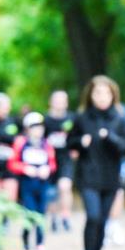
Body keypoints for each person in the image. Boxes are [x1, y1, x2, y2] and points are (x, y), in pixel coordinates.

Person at [67, 75, 125, 250]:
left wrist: (111, 139)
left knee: (103, 221)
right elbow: (69, 142)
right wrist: (81, 142)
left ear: (113, 95)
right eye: (97, 93)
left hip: (111, 177)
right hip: (88, 176)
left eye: (106, 93)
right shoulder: (82, 118)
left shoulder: (120, 118)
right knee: (93, 216)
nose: (102, 97)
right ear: (90, 95)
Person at [7, 112, 56, 250]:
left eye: (40, 127)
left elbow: (52, 164)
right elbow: (12, 163)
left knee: (41, 213)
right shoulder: (21, 143)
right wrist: (25, 169)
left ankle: (40, 243)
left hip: (42, 184)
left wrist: (47, 169)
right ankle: (26, 241)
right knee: (29, 212)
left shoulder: (46, 145)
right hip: (27, 184)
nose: (38, 130)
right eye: (34, 127)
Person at [43, 90, 75, 233]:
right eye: (57, 100)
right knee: (51, 192)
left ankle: (66, 216)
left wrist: (76, 149)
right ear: (51, 102)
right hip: (48, 160)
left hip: (65, 159)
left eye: (62, 100)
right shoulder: (44, 120)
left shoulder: (72, 119)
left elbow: (78, 137)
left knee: (65, 187)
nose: (59, 104)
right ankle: (54, 218)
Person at [104, 101, 125, 247]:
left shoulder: (123, 110)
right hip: (96, 162)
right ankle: (103, 226)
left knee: (118, 191)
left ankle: (113, 225)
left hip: (119, 159)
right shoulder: (90, 113)